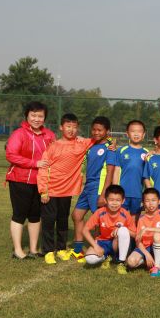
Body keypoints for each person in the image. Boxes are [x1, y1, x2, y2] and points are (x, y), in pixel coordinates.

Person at [37, 113, 97, 265]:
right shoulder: (53, 147)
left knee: (63, 220)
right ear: (61, 127)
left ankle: (61, 248)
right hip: (50, 191)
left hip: (67, 192)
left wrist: (111, 143)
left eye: (74, 127)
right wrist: (43, 190)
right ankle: (48, 251)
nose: (71, 130)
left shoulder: (81, 144)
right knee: (49, 221)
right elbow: (43, 169)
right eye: (68, 126)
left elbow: (101, 138)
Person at [5, 101, 55, 259]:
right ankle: (18, 251)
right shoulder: (19, 134)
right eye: (33, 115)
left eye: (40, 116)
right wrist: (35, 163)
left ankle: (33, 249)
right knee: (19, 215)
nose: (36, 119)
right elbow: (11, 155)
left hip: (41, 182)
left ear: (45, 117)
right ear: (27, 116)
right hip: (20, 180)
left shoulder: (49, 135)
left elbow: (56, 154)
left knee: (35, 215)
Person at [70, 116, 116, 261]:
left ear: (107, 131)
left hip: (98, 187)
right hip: (88, 186)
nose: (96, 132)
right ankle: (78, 250)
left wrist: (103, 194)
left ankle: (102, 249)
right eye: (94, 129)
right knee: (76, 215)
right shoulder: (91, 145)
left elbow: (110, 172)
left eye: (100, 130)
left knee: (99, 219)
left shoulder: (110, 148)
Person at [82, 185, 136, 274]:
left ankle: (121, 262)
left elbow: (135, 234)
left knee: (123, 230)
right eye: (111, 200)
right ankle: (107, 257)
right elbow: (85, 230)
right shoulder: (100, 212)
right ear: (105, 200)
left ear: (123, 201)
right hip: (102, 242)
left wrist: (122, 229)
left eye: (118, 200)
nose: (114, 203)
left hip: (117, 243)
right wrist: (96, 246)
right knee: (89, 259)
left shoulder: (125, 214)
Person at [126, 188, 160, 277]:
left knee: (157, 235)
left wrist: (147, 229)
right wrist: (146, 254)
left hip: (158, 245)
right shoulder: (141, 218)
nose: (150, 203)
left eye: (153, 200)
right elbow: (138, 240)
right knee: (130, 262)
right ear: (143, 203)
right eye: (147, 201)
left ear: (159, 201)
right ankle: (147, 261)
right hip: (144, 247)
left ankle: (157, 267)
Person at [114, 120, 148, 216]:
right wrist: (115, 190)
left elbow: (147, 176)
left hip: (138, 194)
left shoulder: (147, 153)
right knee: (120, 219)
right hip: (122, 193)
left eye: (139, 131)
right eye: (133, 131)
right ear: (127, 134)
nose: (136, 134)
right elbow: (116, 171)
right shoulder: (121, 151)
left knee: (134, 220)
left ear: (143, 134)